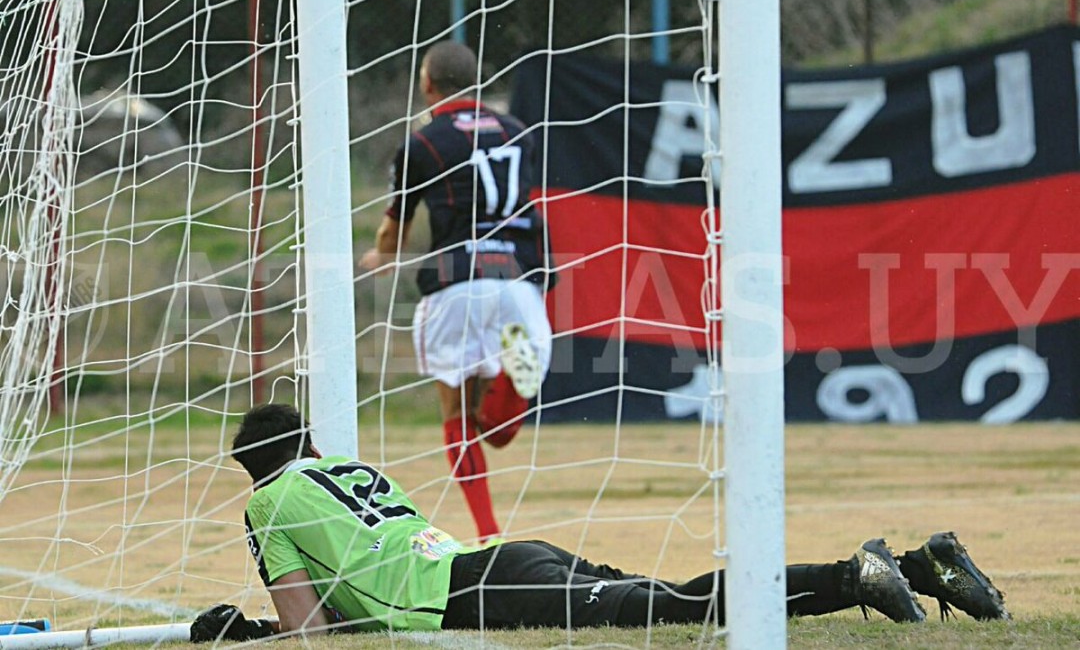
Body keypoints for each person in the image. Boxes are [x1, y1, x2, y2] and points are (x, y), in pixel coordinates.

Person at [189, 404, 1010, 641]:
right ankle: (920, 563)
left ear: (251, 469)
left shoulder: (266, 502)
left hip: (468, 594)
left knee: (682, 608)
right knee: (676, 594)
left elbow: (312, 631)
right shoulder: (347, 466)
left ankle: (851, 575)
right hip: (499, 557)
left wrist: (250, 632)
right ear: (309, 443)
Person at [359, 40, 554, 543]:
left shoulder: (423, 144)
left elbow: (394, 229)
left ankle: (488, 532)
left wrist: (380, 255)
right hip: (517, 277)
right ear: (476, 82)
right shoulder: (517, 132)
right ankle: (512, 388)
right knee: (499, 431)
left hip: (456, 281)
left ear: (426, 84)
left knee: (458, 418)